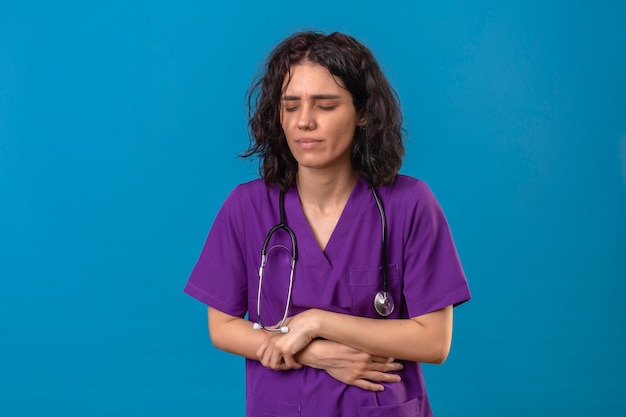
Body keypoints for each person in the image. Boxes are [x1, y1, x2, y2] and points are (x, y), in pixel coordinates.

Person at [184, 31, 471, 417]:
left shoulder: (409, 205)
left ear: (363, 112)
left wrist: (317, 322)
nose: (304, 122)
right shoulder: (247, 207)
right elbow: (222, 326)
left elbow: (434, 342)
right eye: (290, 106)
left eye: (325, 105)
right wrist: (318, 352)